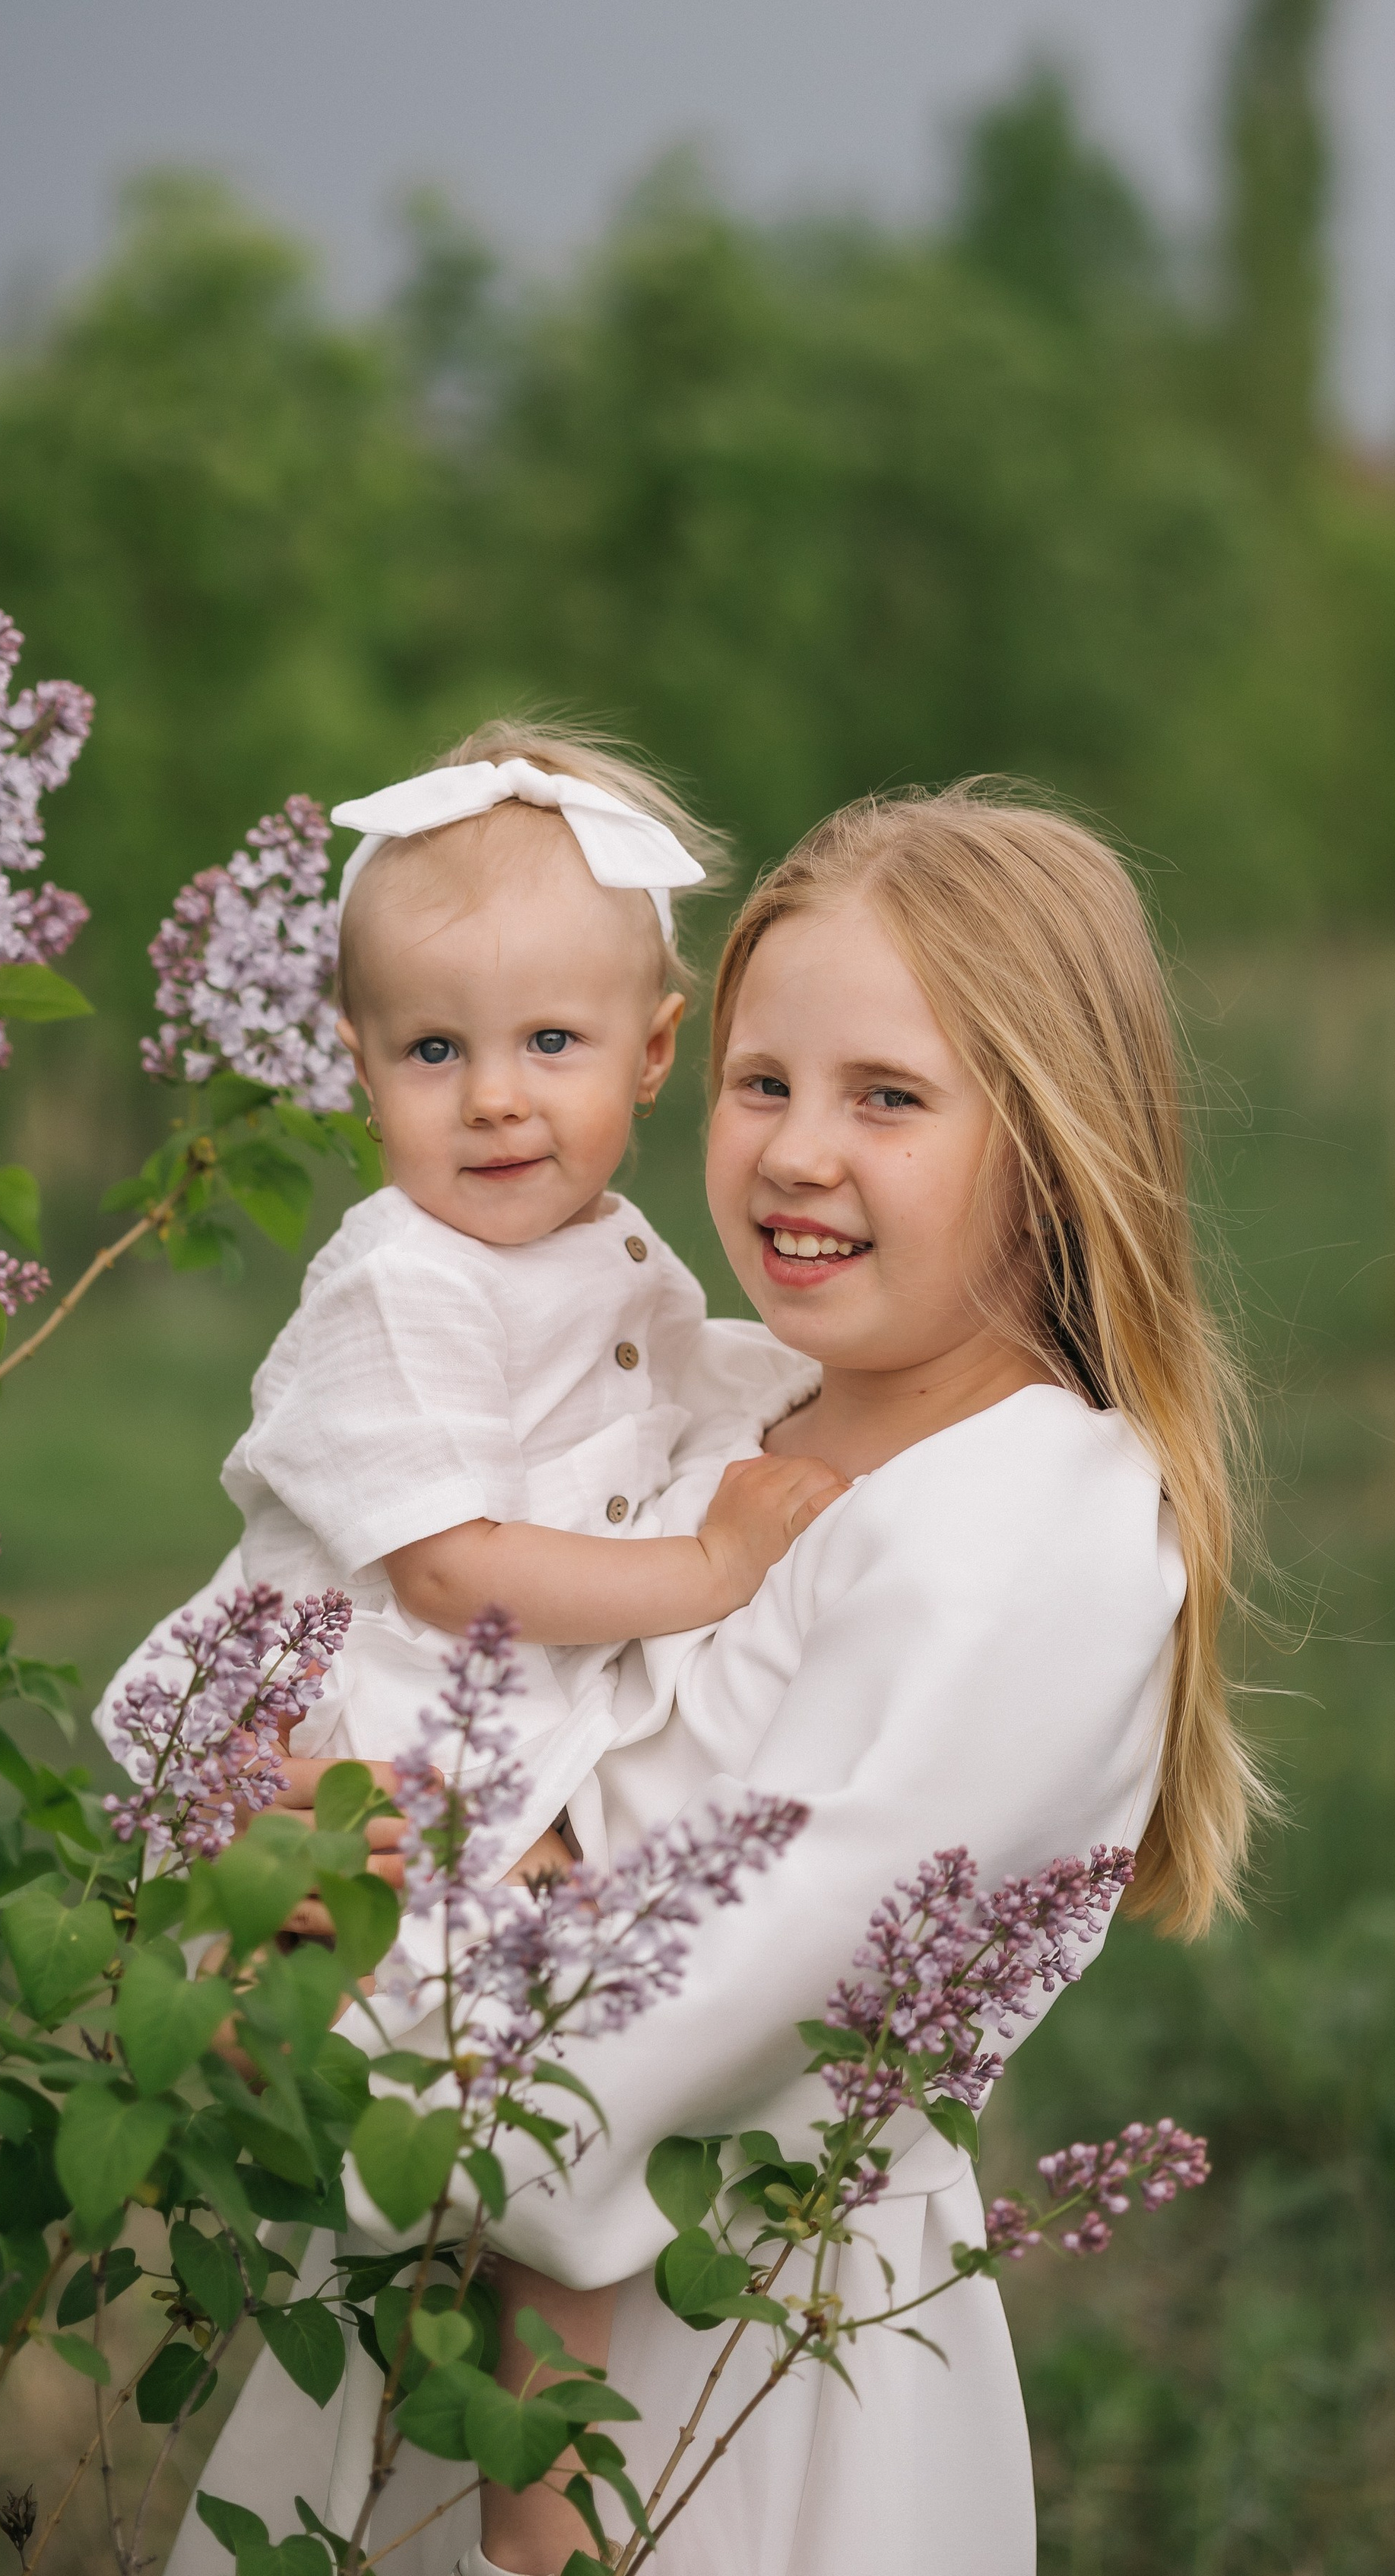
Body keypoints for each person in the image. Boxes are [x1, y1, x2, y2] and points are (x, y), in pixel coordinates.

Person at [169, 781, 1265, 2576]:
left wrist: (319, 2013)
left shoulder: (1029, 1522)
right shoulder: (702, 1412)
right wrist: (282, 1842)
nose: (794, 1155)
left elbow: (715, 1993)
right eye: (763, 1084)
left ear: (1055, 1145)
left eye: (887, 1099)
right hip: (447, 2314)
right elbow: (427, 1697)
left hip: (740, 2367)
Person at [96, 721, 844, 2423]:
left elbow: (659, 1395)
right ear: (358, 1063)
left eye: (549, 1042)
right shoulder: (393, 1287)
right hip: (389, 1711)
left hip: (492, 1732)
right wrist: (714, 1560)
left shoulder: (601, 1249)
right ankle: (492, 2470)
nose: (495, 1095)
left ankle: (517, 2486)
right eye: (434, 1048)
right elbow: (449, 1572)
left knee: (532, 2137)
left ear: (652, 1054)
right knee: (456, 2077)